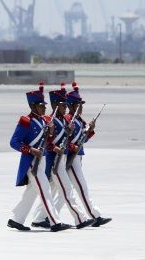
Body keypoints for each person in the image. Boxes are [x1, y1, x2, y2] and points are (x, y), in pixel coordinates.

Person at [7, 83, 70, 232]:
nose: (44, 108)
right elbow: (14, 142)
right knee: (45, 190)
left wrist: (51, 132)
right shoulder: (26, 121)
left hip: (41, 161)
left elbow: (47, 141)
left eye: (44, 106)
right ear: (32, 106)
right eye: (41, 106)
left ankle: (16, 219)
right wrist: (30, 150)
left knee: (32, 192)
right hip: (31, 162)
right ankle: (55, 222)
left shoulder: (44, 120)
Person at [30, 83, 93, 229]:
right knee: (67, 191)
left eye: (65, 104)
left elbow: (71, 139)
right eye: (62, 104)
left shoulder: (65, 120)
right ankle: (80, 219)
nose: (65, 107)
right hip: (54, 161)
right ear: (54, 105)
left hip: (63, 160)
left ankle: (40, 218)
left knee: (56, 191)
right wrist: (58, 147)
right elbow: (47, 141)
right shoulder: (49, 120)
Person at [64, 83, 112, 227]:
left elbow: (82, 139)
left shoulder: (79, 120)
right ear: (71, 106)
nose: (81, 107)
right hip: (71, 158)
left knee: (61, 192)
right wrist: (72, 147)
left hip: (78, 156)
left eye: (81, 105)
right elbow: (63, 140)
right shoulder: (68, 119)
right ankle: (95, 216)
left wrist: (90, 130)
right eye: (78, 105)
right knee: (81, 187)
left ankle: (41, 216)